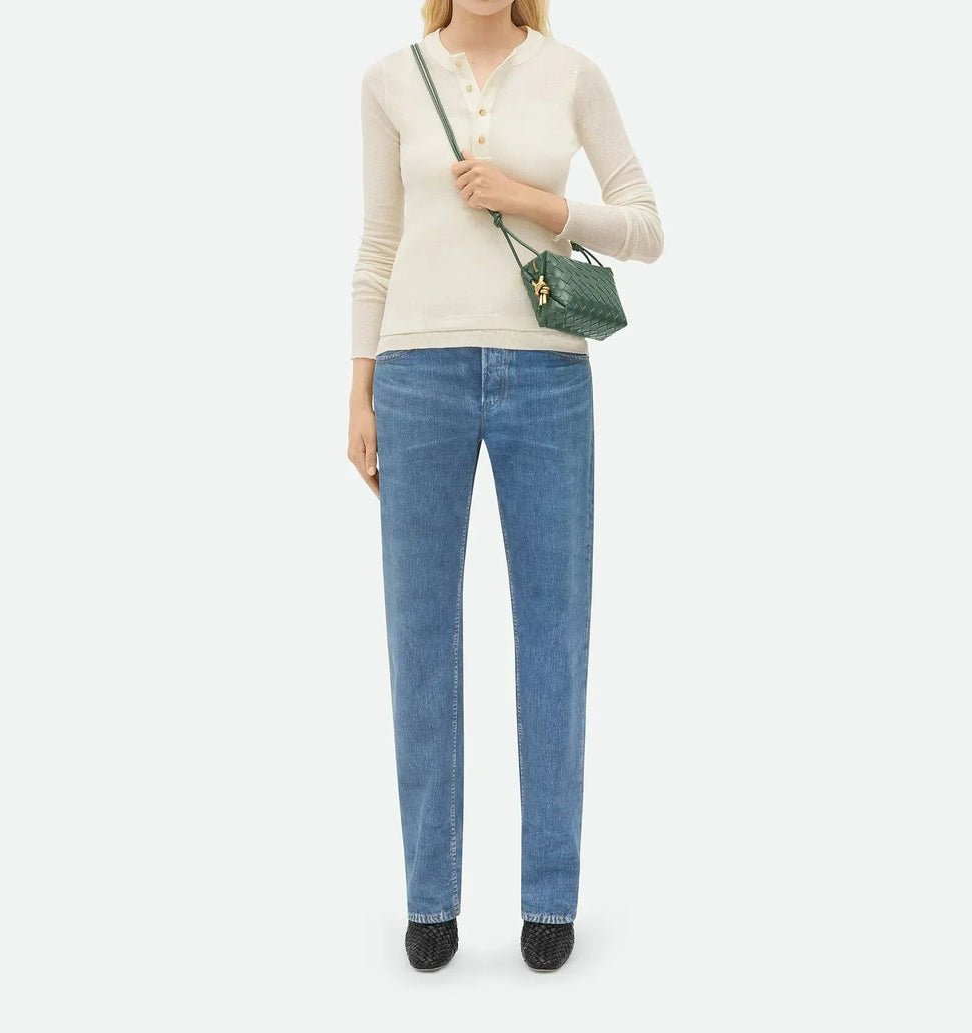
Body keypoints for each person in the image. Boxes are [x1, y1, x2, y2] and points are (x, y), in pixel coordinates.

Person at [346, 0, 663, 972]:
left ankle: (548, 897)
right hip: (416, 376)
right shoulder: (389, 79)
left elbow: (646, 228)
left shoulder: (572, 74)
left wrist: (533, 200)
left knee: (554, 637)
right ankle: (430, 897)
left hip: (547, 375)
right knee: (420, 639)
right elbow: (378, 245)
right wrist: (358, 388)